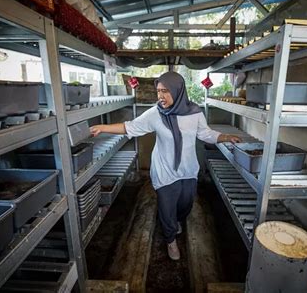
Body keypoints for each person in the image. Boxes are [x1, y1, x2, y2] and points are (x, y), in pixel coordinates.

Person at [90, 71, 241, 260]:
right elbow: (130, 127)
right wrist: (102, 127)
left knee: (186, 204)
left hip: (187, 169)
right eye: (159, 91)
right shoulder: (155, 114)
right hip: (165, 170)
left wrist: (224, 137)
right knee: (167, 207)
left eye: (166, 91)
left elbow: (205, 134)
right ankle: (170, 240)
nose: (160, 96)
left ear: (178, 91)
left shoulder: (194, 113)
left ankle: (176, 221)